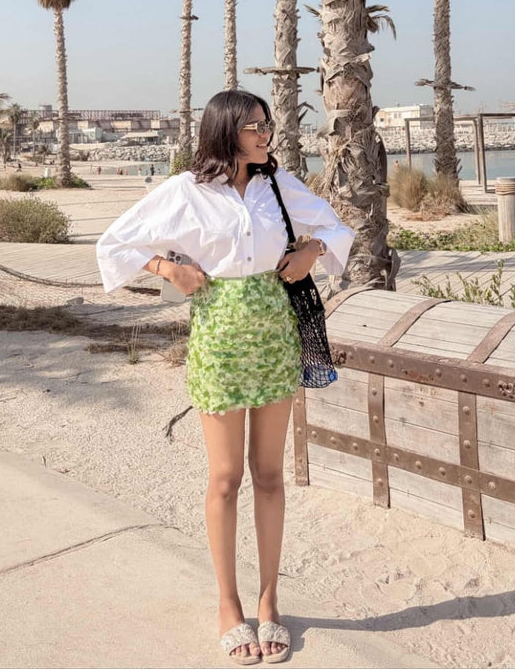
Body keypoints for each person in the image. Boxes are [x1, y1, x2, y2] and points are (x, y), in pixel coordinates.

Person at [97, 90, 353, 665]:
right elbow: (115, 243)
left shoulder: (277, 186)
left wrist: (311, 249)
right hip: (217, 341)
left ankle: (269, 601)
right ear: (226, 132)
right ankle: (227, 604)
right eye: (256, 126)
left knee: (269, 475)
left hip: (275, 339)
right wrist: (169, 268)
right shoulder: (185, 193)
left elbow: (336, 229)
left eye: (268, 125)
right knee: (224, 478)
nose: (267, 134)